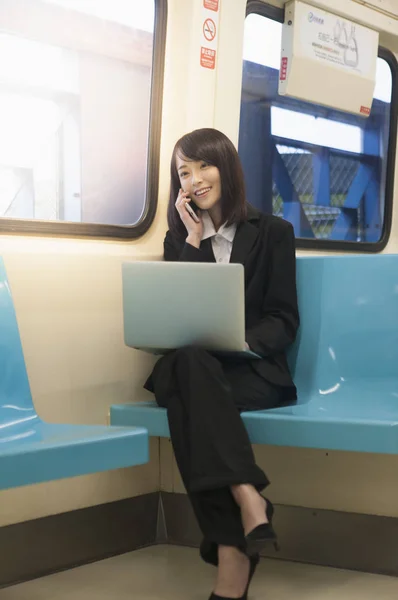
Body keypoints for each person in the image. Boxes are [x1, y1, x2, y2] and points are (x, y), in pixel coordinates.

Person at [144, 128, 299, 600]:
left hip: (251, 371)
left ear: (226, 168)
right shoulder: (180, 239)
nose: (193, 180)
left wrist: (241, 342)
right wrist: (193, 239)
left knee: (187, 399)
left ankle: (235, 542)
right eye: (183, 173)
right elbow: (179, 320)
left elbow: (284, 319)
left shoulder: (272, 232)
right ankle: (247, 501)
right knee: (188, 363)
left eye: (202, 167)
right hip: (199, 369)